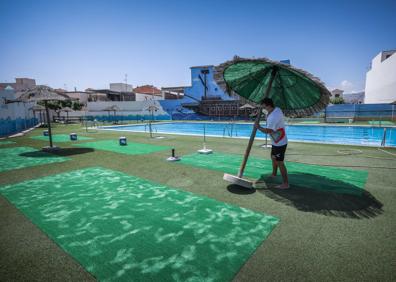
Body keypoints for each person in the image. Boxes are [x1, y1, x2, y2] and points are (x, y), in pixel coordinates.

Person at [255, 98, 289, 189]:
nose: (262, 108)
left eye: (263, 106)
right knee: (273, 157)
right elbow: (268, 114)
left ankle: (286, 183)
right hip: (276, 141)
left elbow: (268, 131)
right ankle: (274, 174)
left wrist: (258, 127)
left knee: (280, 162)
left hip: (280, 143)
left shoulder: (274, 116)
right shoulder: (276, 109)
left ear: (267, 105)